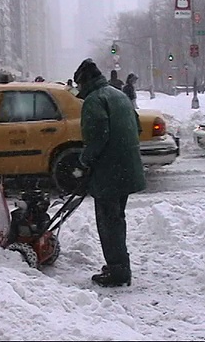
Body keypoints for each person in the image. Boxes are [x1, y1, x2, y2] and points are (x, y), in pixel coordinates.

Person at [73, 58, 146, 288]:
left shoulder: (95, 100)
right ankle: (119, 265)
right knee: (117, 219)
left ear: (85, 82)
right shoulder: (118, 95)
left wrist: (84, 161)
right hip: (126, 167)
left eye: (79, 86)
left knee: (108, 222)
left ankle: (118, 272)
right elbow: (138, 125)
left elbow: (97, 137)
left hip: (108, 172)